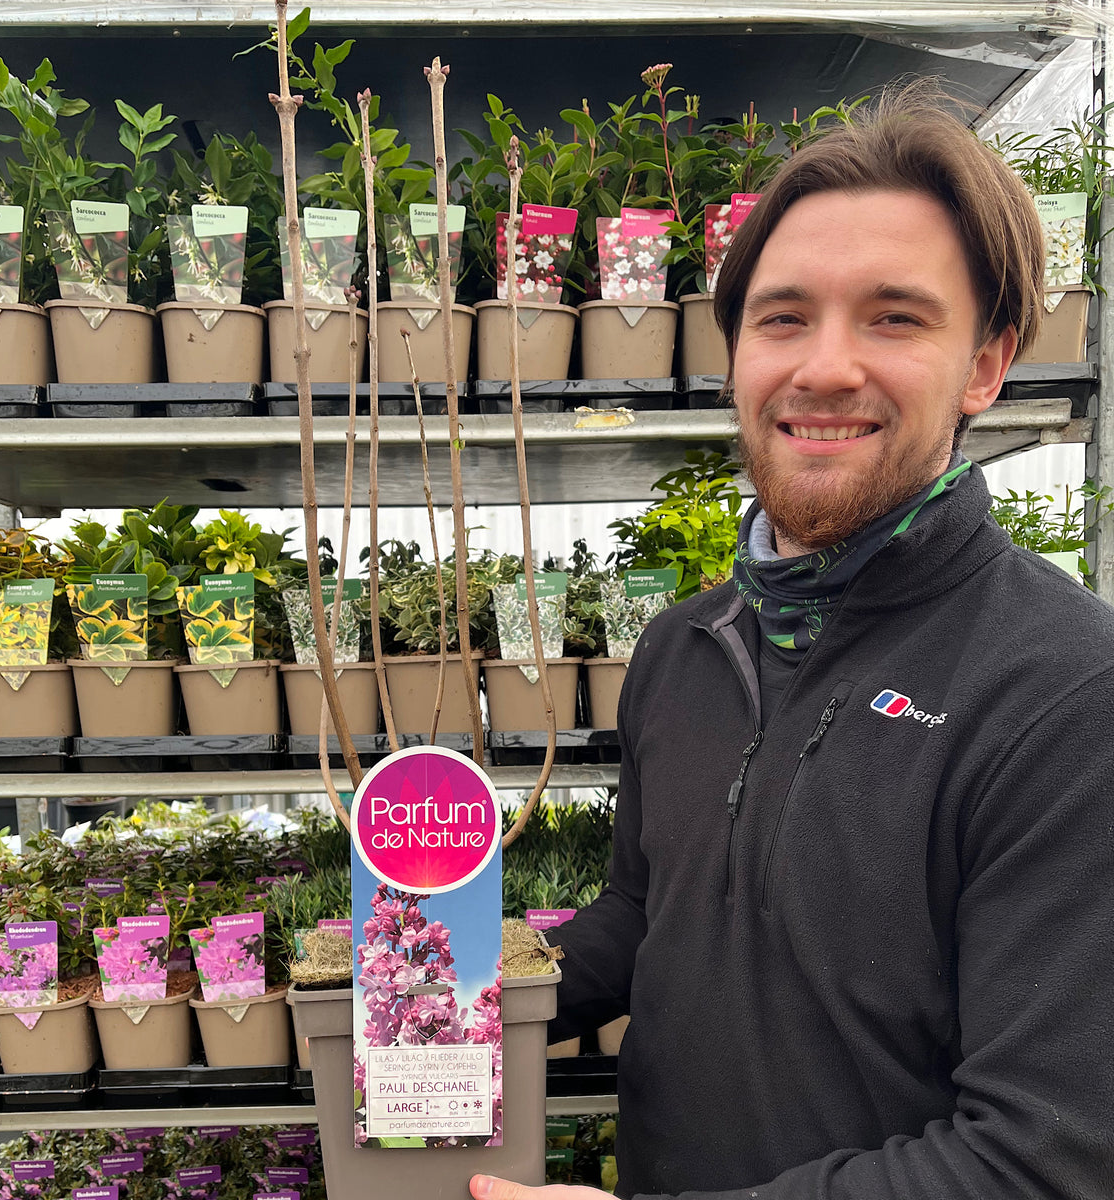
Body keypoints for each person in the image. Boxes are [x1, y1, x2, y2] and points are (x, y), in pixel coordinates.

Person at [471, 82, 1114, 1200]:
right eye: (783, 317)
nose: (824, 367)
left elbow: (1043, 1154)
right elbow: (645, 912)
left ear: (986, 365)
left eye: (895, 317)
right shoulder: (687, 647)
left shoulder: (1067, 696)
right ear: (735, 357)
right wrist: (445, 987)